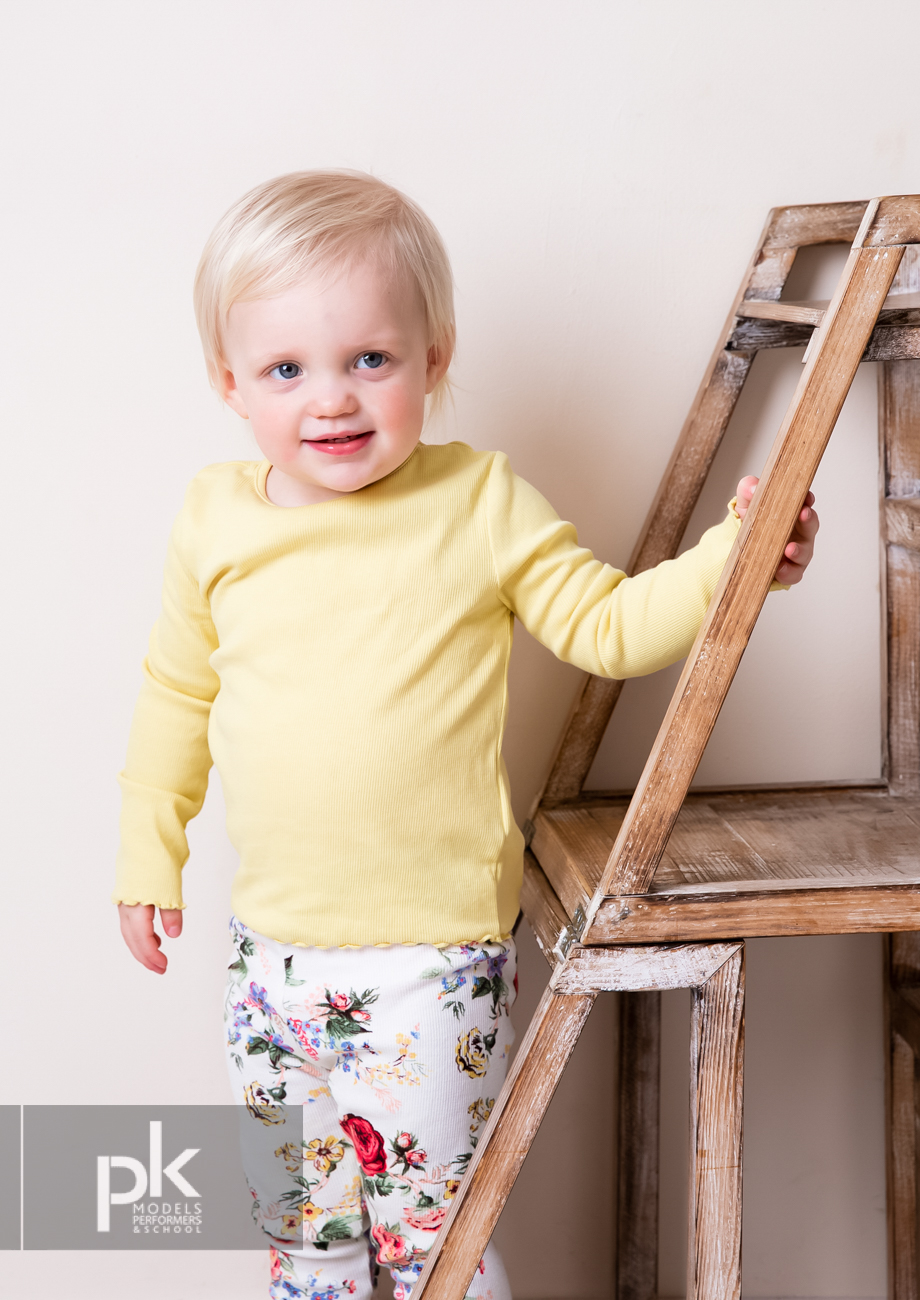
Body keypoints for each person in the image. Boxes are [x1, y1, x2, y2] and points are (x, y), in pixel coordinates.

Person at [114, 171, 818, 1300]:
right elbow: (175, 692)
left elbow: (607, 627)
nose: (331, 399)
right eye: (287, 369)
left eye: (370, 359)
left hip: (428, 966)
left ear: (434, 358)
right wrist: (148, 850)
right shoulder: (215, 519)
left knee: (436, 1250)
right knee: (305, 1245)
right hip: (268, 962)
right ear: (229, 381)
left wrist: (733, 558)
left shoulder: (478, 502)